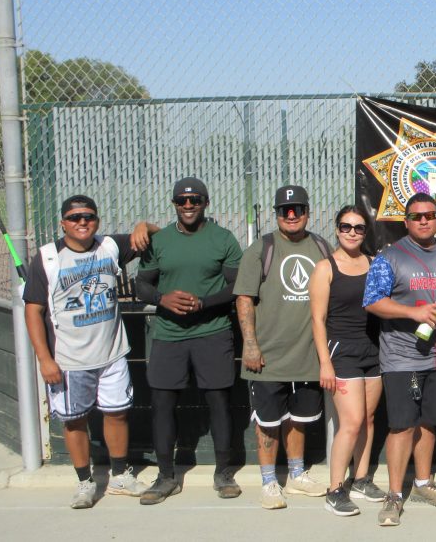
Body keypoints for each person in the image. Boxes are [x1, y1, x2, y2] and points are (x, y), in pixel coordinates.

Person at [23, 195, 157, 508]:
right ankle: (85, 481)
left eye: (89, 217)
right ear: (63, 223)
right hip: (68, 359)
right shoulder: (47, 258)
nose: (82, 222)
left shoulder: (109, 246)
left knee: (117, 413)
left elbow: (156, 232)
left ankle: (121, 475)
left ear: (96, 220)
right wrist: (44, 359)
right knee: (74, 421)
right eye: (74, 218)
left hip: (111, 353)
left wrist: (142, 225)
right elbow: (33, 311)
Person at [135, 177, 243, 504]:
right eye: (181, 201)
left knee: (219, 402)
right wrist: (161, 298)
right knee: (163, 403)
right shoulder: (160, 240)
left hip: (212, 332)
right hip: (169, 334)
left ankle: (223, 473)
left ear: (205, 202)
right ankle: (166, 475)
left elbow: (236, 287)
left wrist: (204, 303)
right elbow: (141, 284)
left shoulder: (223, 239)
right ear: (174, 204)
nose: (188, 205)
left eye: (194, 199)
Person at [362, 192, 436, 526]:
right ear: (406, 221)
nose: (423, 221)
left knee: (429, 421)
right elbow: (372, 301)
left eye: (429, 215)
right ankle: (393, 495)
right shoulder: (390, 256)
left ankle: (423, 483)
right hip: (404, 358)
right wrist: (411, 312)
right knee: (403, 424)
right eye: (416, 216)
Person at [233, 186, 329, 509]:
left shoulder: (320, 246)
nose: (291, 215)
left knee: (298, 418)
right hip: (268, 357)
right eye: (285, 210)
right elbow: (244, 298)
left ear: (307, 212)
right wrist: (250, 345)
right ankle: (269, 481)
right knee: (268, 422)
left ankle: (297, 473)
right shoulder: (261, 249)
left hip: (307, 356)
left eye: (297, 209)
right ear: (276, 213)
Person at [309, 205, 386, 516]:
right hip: (342, 353)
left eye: (358, 228)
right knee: (351, 422)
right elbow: (317, 320)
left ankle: (361, 478)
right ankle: (335, 488)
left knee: (367, 419)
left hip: (373, 351)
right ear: (337, 230)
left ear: (365, 232)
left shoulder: (374, 263)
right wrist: (325, 363)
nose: (352, 232)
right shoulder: (325, 268)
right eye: (345, 227)